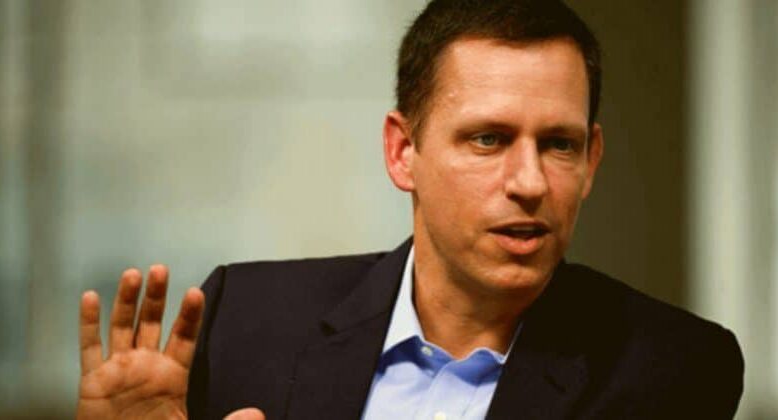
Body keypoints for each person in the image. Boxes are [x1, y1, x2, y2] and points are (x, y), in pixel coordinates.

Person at [76, 0, 744, 419]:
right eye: (488, 139)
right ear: (403, 152)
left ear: (592, 161)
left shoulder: (671, 368)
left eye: (559, 145)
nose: (530, 182)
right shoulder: (243, 325)